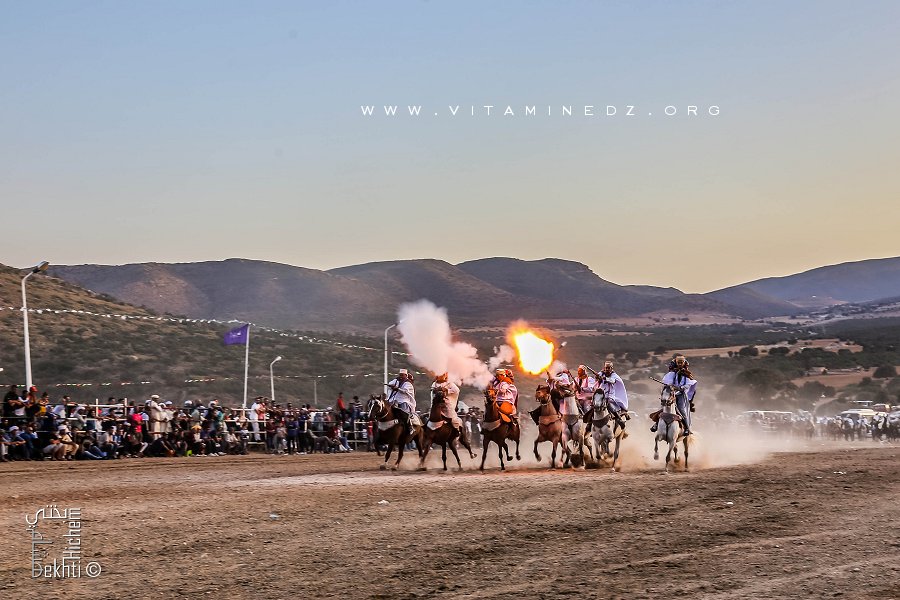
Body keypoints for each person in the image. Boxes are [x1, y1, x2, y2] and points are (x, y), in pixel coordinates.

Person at [651, 355, 698, 436]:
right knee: (663, 408)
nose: (680, 364)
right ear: (676, 363)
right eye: (678, 362)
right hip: (671, 393)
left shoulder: (686, 374)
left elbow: (688, 385)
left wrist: (679, 388)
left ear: (684, 363)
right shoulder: (671, 373)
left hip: (681, 395)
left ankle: (687, 428)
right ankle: (656, 424)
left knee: (682, 410)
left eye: (681, 362)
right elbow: (667, 382)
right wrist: (670, 386)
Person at [598, 361, 629, 430]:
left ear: (611, 368)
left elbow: (612, 381)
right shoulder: (601, 373)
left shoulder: (614, 376)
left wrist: (604, 378)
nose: (607, 369)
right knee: (594, 406)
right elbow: (596, 378)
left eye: (609, 368)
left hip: (610, 396)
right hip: (601, 395)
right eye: (606, 368)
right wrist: (598, 378)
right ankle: (590, 424)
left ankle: (619, 419)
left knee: (609, 405)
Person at [386, 368, 417, 436]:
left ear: (406, 375)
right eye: (400, 375)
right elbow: (390, 383)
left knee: (404, 413)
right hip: (393, 400)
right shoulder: (396, 380)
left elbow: (405, 391)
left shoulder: (408, 383)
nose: (401, 376)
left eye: (402, 375)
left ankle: (410, 427)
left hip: (404, 401)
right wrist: (392, 386)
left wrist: (397, 388)